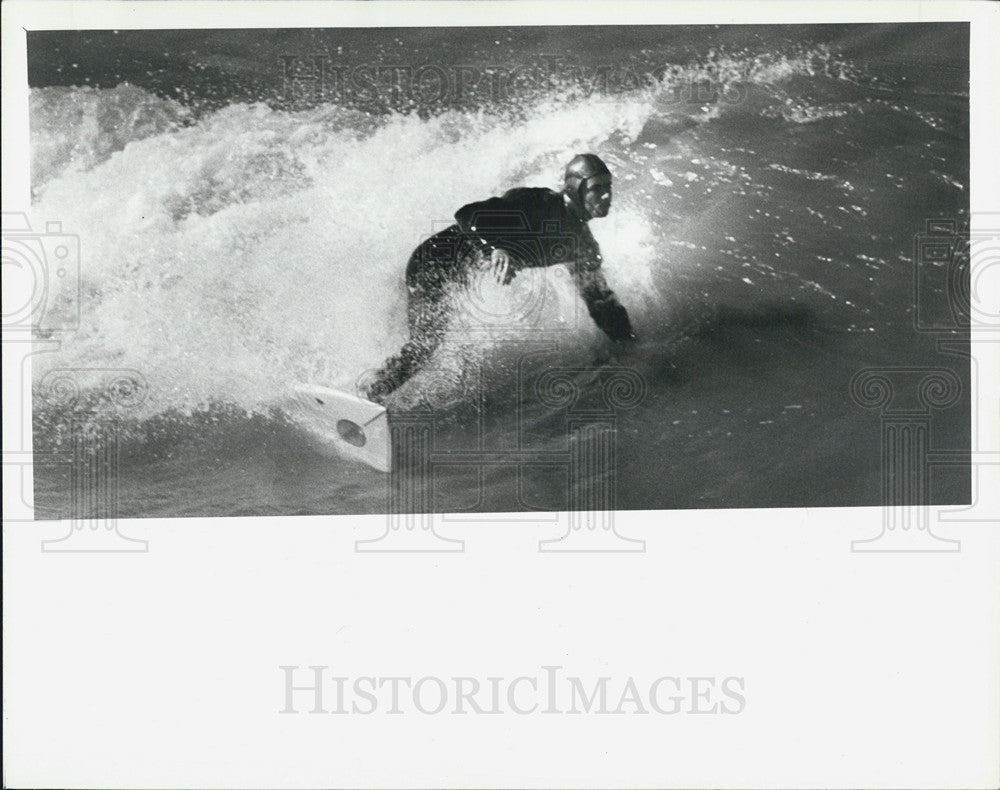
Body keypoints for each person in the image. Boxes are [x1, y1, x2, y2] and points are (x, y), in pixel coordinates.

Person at [362, 153, 636, 404]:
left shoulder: (582, 245)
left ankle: (382, 387)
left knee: (436, 347)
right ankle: (370, 393)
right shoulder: (538, 203)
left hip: (456, 279)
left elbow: (600, 302)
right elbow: (468, 215)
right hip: (432, 261)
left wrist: (630, 343)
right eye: (597, 188)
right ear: (576, 187)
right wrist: (496, 248)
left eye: (608, 188)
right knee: (427, 345)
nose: (607, 196)